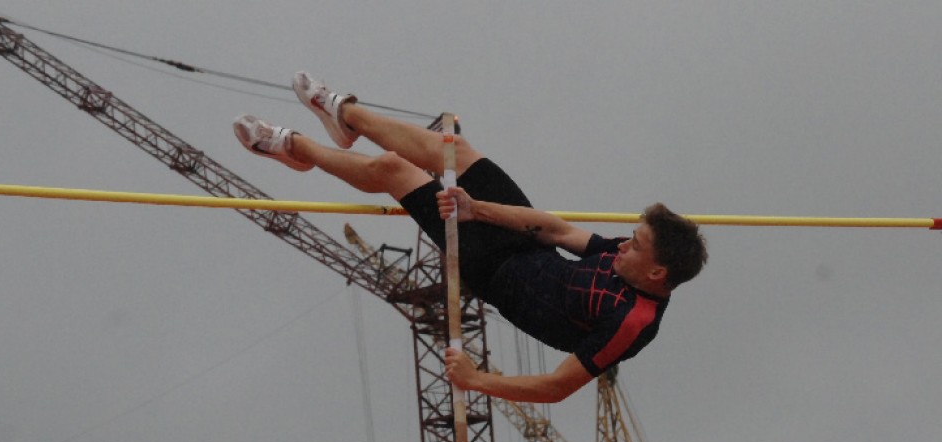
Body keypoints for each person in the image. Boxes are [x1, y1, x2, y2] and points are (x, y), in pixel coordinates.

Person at [233, 72, 707, 403]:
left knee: (393, 170)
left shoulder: (633, 322)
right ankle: (345, 115)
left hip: (492, 271)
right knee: (454, 150)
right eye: (631, 236)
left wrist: (476, 379)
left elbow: (556, 388)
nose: (623, 244)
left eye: (635, 245)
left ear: (657, 272)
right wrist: (476, 207)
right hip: (525, 243)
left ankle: (294, 147)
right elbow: (557, 230)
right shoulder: (622, 256)